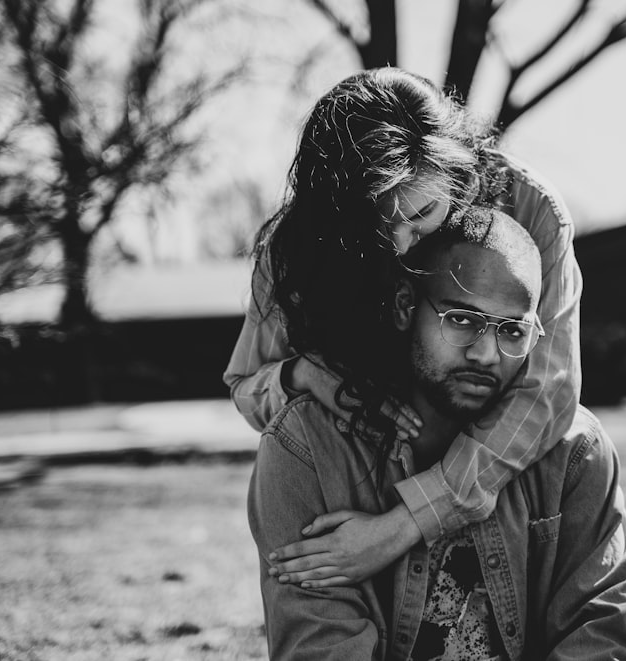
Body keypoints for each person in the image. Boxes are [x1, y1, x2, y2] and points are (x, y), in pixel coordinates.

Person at [224, 67, 582, 585]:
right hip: (357, 470)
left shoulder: (532, 210)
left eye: (422, 215)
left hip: (487, 484)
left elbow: (547, 390)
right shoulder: (298, 247)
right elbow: (246, 383)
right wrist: (303, 375)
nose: (401, 247)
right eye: (376, 227)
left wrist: (405, 523)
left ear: (456, 174)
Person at [248, 208, 626, 660]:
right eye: (463, 320)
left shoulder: (575, 453)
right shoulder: (306, 448)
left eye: (513, 331)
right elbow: (321, 648)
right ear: (403, 306)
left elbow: (599, 636)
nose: (488, 354)